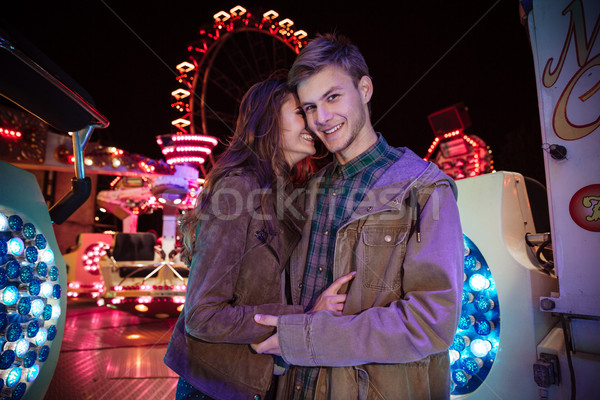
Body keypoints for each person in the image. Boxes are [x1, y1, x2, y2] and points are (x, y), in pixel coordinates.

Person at [251, 34, 464, 400]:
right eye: (310, 107)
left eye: (333, 97)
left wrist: (307, 338)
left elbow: (431, 321)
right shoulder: (305, 193)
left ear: (364, 89)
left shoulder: (425, 190)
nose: (323, 118)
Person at [163, 74, 355, 400]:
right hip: (214, 387)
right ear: (267, 119)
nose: (313, 121)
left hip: (255, 383)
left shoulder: (283, 199)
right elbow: (201, 317)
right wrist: (305, 317)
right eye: (299, 112)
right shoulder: (237, 188)